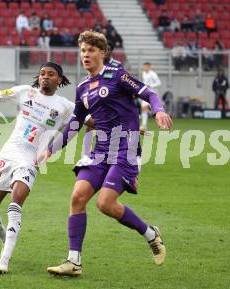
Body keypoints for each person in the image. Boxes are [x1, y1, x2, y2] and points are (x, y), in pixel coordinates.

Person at [45, 31, 172, 277]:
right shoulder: (82, 87)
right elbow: (75, 123)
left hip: (125, 150)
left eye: (91, 50)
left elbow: (150, 94)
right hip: (100, 151)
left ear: (102, 53)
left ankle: (150, 234)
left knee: (105, 204)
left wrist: (158, 111)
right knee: (78, 197)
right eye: (83, 51)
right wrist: (50, 149)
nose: (85, 55)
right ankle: (74, 262)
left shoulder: (118, 76)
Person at [0, 62, 91, 274]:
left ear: (59, 80)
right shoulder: (24, 92)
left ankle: (4, 260)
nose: (45, 77)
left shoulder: (65, 106)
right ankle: (5, 238)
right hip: (7, 155)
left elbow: (89, 121)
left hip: (30, 160)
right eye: (42, 73)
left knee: (15, 203)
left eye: (50, 74)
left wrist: (128, 125)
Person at [141, 62, 161, 130]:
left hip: (153, 93)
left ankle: (161, 123)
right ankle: (144, 125)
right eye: (144, 66)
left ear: (149, 67)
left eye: (146, 66)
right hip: (146, 92)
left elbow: (159, 83)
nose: (145, 68)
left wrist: (151, 85)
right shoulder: (143, 73)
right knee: (144, 108)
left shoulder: (153, 74)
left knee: (156, 111)